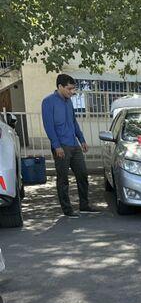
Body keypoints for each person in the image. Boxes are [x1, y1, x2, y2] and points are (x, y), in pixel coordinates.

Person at [42, 74, 99, 217]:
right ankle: (67, 210)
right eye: (69, 89)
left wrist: (82, 139)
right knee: (63, 179)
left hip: (74, 145)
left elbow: (74, 122)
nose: (72, 92)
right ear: (60, 87)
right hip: (61, 146)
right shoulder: (48, 102)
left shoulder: (69, 102)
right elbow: (48, 126)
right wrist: (56, 146)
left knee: (83, 175)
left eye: (74, 89)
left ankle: (84, 205)